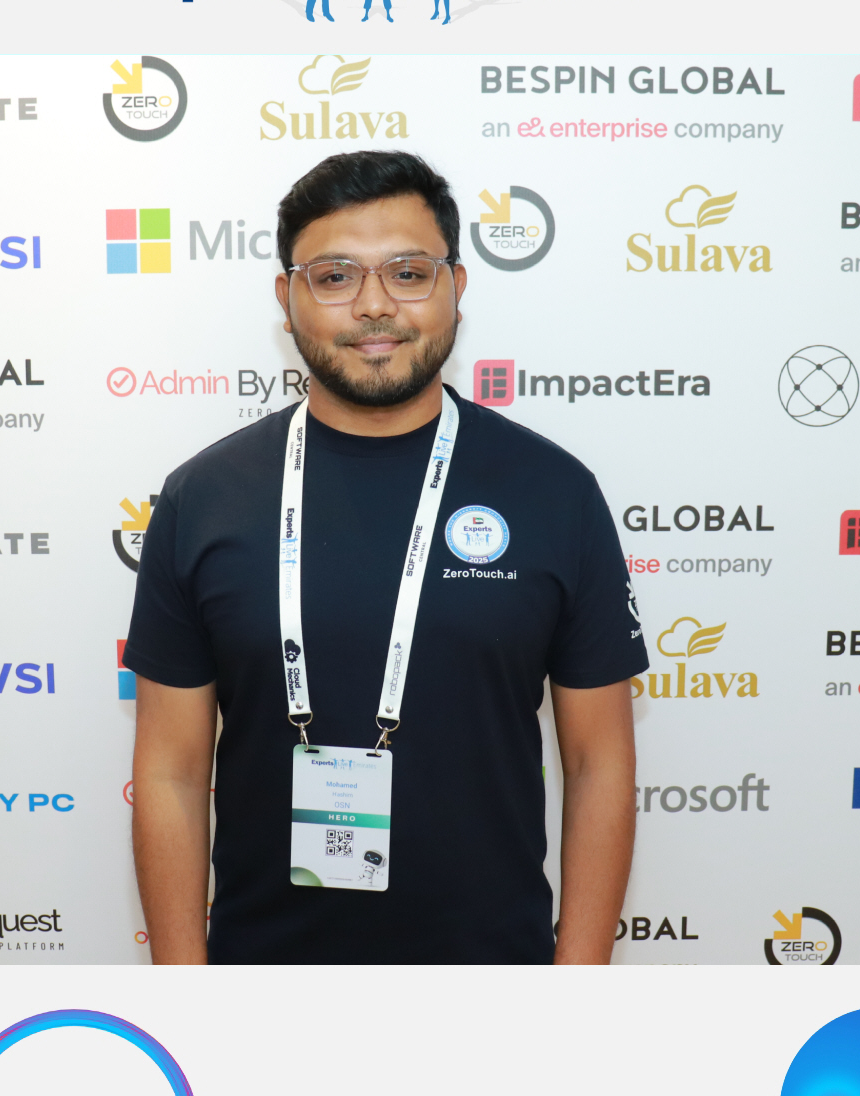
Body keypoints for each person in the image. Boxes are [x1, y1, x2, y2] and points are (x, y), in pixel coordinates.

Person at [126, 150, 644, 964]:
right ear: (287, 298)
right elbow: (171, 772)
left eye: (408, 273)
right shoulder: (203, 499)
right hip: (262, 983)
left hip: (495, 982)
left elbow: (599, 760)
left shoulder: (555, 492)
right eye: (334, 277)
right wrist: (186, 998)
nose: (374, 306)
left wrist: (574, 992)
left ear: (456, 287)